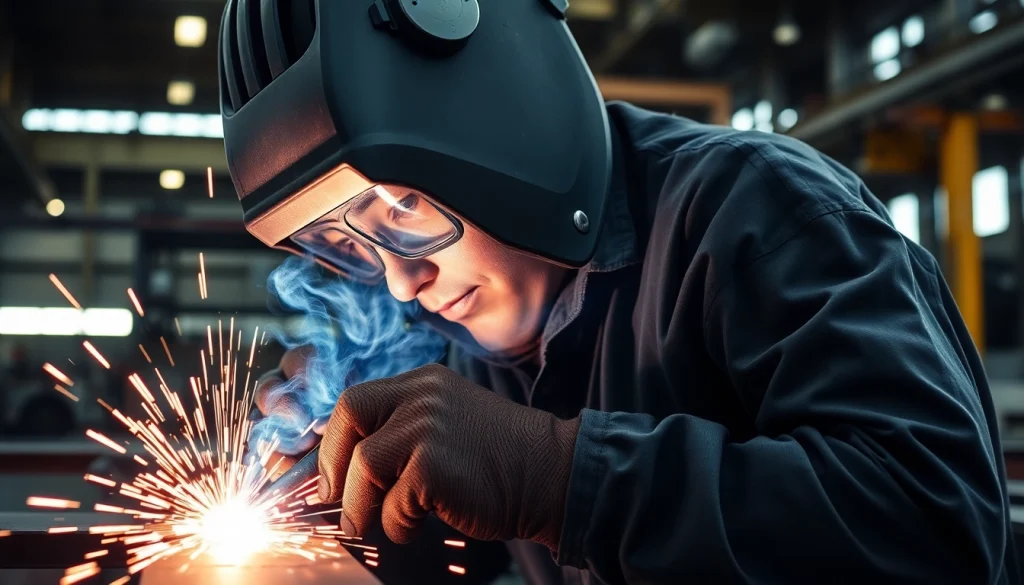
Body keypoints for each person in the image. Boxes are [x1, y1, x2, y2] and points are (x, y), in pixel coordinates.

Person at [219, 1, 1017, 583]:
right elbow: (468, 550)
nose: (400, 279)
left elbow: (938, 528)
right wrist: (353, 511)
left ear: (499, 125)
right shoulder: (470, 336)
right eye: (349, 245)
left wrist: (560, 477)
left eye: (402, 211)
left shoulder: (759, 212)